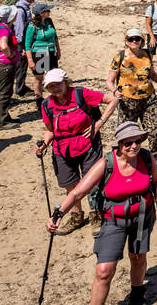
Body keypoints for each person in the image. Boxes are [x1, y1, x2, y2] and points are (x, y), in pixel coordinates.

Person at [46, 120, 157, 305]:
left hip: (142, 216)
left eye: (137, 141)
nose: (134, 146)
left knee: (138, 257)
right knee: (104, 270)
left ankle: (136, 297)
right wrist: (58, 214)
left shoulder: (146, 157)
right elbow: (78, 192)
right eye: (128, 143)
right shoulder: (107, 163)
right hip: (113, 220)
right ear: (119, 144)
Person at [36, 68, 116, 235]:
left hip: (88, 144)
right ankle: (76, 215)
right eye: (50, 86)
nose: (55, 88)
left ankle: (96, 215)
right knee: (70, 184)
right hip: (62, 149)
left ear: (65, 82)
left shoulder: (80, 94)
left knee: (92, 183)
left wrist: (99, 123)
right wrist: (44, 144)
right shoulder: (47, 105)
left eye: (57, 84)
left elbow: (113, 100)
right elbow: (50, 130)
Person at [106, 28, 157, 155]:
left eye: (137, 39)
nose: (134, 41)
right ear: (126, 41)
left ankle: (155, 157)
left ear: (141, 41)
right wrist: (115, 91)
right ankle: (125, 157)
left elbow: (152, 75)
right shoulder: (119, 57)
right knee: (126, 133)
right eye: (131, 39)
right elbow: (109, 82)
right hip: (127, 102)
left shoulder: (147, 54)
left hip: (148, 99)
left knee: (154, 130)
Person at [24, 3, 60, 111]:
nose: (49, 12)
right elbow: (27, 44)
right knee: (39, 77)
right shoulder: (32, 26)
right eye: (47, 10)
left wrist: (58, 50)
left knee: (53, 76)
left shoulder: (49, 21)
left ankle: (55, 98)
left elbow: (55, 37)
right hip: (39, 54)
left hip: (51, 52)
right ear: (41, 13)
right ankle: (39, 100)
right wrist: (30, 60)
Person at [0, 4, 21, 130]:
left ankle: (4, 116)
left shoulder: (0, 26)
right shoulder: (4, 30)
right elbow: (3, 45)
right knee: (3, 91)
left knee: (5, 90)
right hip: (5, 64)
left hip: (2, 63)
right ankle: (0, 122)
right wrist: (10, 53)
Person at [12, 0, 39, 98]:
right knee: (21, 66)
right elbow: (19, 30)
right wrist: (22, 46)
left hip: (21, 42)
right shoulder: (20, 10)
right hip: (20, 43)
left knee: (22, 66)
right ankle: (20, 89)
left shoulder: (23, 8)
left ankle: (21, 86)